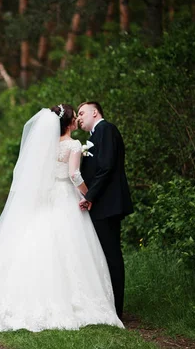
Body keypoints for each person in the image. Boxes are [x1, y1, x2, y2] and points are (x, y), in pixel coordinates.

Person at [0, 104, 123, 332]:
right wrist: (88, 194)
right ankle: (73, 301)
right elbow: (74, 174)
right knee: (70, 247)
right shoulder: (73, 144)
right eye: (75, 117)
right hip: (66, 198)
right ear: (69, 123)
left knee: (38, 244)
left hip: (47, 199)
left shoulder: (45, 147)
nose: (78, 120)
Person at [77, 101, 133, 320]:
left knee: (111, 255)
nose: (79, 117)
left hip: (108, 203)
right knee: (102, 254)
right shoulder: (93, 136)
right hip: (101, 203)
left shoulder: (106, 129)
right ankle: (107, 304)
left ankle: (117, 310)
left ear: (95, 112)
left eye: (82, 113)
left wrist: (89, 196)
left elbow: (107, 166)